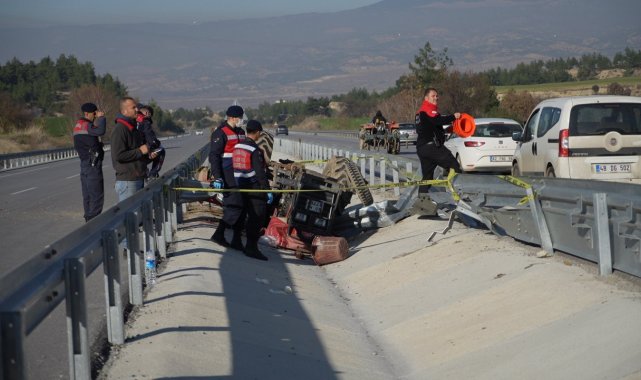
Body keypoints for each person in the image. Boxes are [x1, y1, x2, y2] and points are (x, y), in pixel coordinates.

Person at [232, 119, 272, 261]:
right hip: (253, 187)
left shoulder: (237, 146)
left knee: (242, 215)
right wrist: (267, 190)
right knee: (256, 217)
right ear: (258, 133)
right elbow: (260, 172)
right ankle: (251, 248)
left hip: (239, 185)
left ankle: (236, 241)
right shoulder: (254, 149)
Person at [209, 105, 246, 249]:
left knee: (243, 207)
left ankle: (236, 240)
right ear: (232, 118)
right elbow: (214, 156)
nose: (242, 120)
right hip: (228, 175)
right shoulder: (220, 133)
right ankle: (219, 234)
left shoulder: (241, 132)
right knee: (234, 206)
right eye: (240, 118)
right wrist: (218, 177)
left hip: (242, 176)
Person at [415, 87, 462, 195]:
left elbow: (430, 128)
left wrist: (446, 130)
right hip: (432, 148)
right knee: (454, 166)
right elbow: (438, 120)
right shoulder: (428, 109)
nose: (436, 98)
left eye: (437, 96)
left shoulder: (420, 112)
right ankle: (458, 195)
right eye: (433, 96)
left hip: (422, 148)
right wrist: (453, 117)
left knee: (427, 177)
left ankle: (422, 201)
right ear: (426, 98)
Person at [111, 97, 156, 201]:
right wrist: (140, 151)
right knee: (131, 215)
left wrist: (148, 156)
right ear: (124, 111)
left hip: (138, 178)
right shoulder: (120, 129)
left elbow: (137, 156)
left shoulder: (133, 128)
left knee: (138, 215)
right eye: (133, 107)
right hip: (128, 182)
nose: (137, 110)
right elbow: (119, 155)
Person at [73, 102, 106, 222]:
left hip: (84, 164)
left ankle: (88, 221)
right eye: (94, 113)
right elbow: (100, 131)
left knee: (87, 196)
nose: (95, 116)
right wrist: (102, 118)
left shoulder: (78, 125)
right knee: (96, 197)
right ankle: (94, 224)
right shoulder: (86, 126)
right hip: (92, 164)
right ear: (87, 113)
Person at [136, 104, 165, 179]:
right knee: (161, 150)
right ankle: (152, 175)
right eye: (150, 114)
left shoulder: (130, 120)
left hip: (130, 154)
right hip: (140, 153)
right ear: (146, 113)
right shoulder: (145, 122)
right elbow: (152, 140)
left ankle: (145, 170)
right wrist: (156, 144)